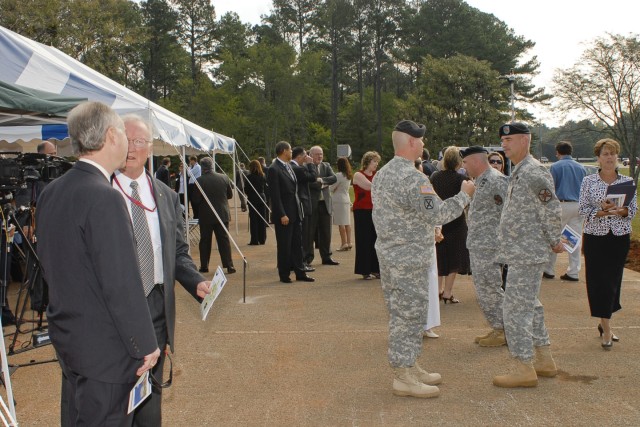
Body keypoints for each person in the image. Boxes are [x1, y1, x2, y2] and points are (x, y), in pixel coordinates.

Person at [36, 101, 160, 425]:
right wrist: (146, 344)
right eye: (123, 132)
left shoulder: (52, 192)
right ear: (110, 136)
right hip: (106, 350)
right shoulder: (104, 196)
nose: (127, 142)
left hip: (71, 339)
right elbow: (121, 282)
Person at [114, 115, 211, 425]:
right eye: (126, 140)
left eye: (139, 141)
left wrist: (195, 281)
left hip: (155, 306)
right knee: (114, 394)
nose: (132, 148)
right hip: (113, 308)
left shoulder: (166, 196)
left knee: (149, 400)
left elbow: (178, 251)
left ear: (150, 147)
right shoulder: (100, 191)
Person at [372, 119, 475, 398]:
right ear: (411, 143)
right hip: (409, 258)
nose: (423, 144)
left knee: (404, 313)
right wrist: (464, 196)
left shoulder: (382, 174)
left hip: (392, 255)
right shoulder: (412, 177)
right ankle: (403, 375)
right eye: (420, 140)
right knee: (409, 315)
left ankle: (409, 365)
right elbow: (439, 213)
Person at [493, 122, 563, 388]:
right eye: (503, 140)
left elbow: (550, 207)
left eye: (509, 139)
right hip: (520, 251)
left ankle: (524, 366)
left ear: (525, 140)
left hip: (527, 252)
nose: (504, 144)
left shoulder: (533, 171)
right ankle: (544, 359)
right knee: (530, 305)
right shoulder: (520, 170)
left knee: (515, 309)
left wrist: (555, 240)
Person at [578, 138, 637, 350]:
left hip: (619, 237)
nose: (609, 157)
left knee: (613, 281)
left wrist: (620, 210)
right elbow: (583, 210)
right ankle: (606, 327)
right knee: (597, 281)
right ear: (598, 158)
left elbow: (632, 211)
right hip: (595, 236)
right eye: (605, 154)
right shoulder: (589, 182)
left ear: (617, 157)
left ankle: (605, 322)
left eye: (612, 153)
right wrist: (603, 211)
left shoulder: (626, 182)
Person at [461, 146, 509, 347]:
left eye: (465, 162)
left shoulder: (496, 180)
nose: (463, 167)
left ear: (474, 161)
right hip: (480, 244)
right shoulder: (479, 182)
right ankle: (498, 327)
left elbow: (509, 210)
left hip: (490, 245)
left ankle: (504, 330)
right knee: (484, 288)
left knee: (490, 288)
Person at [268, 141, 315, 283]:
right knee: (284, 245)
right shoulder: (274, 169)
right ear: (283, 151)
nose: (291, 152)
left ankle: (300, 273)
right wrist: (282, 213)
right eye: (289, 150)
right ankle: (284, 275)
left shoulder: (288, 166)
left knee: (297, 244)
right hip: (285, 215)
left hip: (295, 212)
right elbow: (275, 196)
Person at [430, 146, 471, 304]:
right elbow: (466, 200)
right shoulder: (462, 179)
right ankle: (448, 292)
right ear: (458, 162)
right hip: (457, 221)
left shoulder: (434, 177)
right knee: (455, 257)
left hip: (439, 221)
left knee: (440, 257)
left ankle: (437, 290)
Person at [543, 141, 587, 281]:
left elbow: (551, 187)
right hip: (578, 204)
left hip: (561, 204)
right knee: (572, 238)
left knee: (554, 236)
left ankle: (549, 269)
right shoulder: (581, 168)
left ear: (557, 152)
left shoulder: (555, 167)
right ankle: (573, 271)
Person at [192, 158, 236, 275]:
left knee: (205, 241)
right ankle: (229, 265)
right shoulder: (224, 177)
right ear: (212, 166)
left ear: (202, 167)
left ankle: (204, 265)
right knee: (224, 240)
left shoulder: (199, 180)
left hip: (206, 216)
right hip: (222, 213)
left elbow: (195, 200)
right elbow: (230, 195)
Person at [308, 146, 339, 266]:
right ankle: (308, 258)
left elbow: (334, 178)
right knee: (310, 232)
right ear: (310, 155)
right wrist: (322, 184)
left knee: (326, 232)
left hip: (325, 204)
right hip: (312, 204)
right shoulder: (307, 166)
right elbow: (309, 183)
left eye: (321, 154)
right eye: (316, 154)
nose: (319, 156)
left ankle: (326, 257)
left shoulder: (326, 166)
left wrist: (321, 180)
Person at [353, 151, 381, 280]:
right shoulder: (358, 175)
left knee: (375, 240)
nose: (376, 164)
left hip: (374, 211)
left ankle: (375, 269)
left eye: (377, 162)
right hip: (361, 211)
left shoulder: (376, 175)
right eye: (374, 161)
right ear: (368, 161)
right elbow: (369, 186)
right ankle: (364, 270)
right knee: (364, 240)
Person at [291, 146, 318, 270]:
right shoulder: (297, 168)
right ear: (300, 156)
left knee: (300, 236)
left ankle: (298, 262)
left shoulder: (292, 167)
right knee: (303, 236)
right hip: (301, 204)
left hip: (299, 203)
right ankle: (301, 262)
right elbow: (313, 177)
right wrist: (311, 164)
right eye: (305, 156)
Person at [330, 157, 353, 251]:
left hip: (338, 200)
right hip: (346, 199)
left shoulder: (338, 175)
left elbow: (331, 188)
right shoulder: (349, 175)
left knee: (341, 223)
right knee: (347, 222)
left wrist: (333, 188)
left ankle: (343, 243)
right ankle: (349, 241)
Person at [246, 160, 268, 245]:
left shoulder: (249, 177)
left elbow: (246, 189)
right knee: (262, 219)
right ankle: (262, 239)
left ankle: (254, 239)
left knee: (254, 220)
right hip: (262, 198)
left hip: (252, 198)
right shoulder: (263, 176)